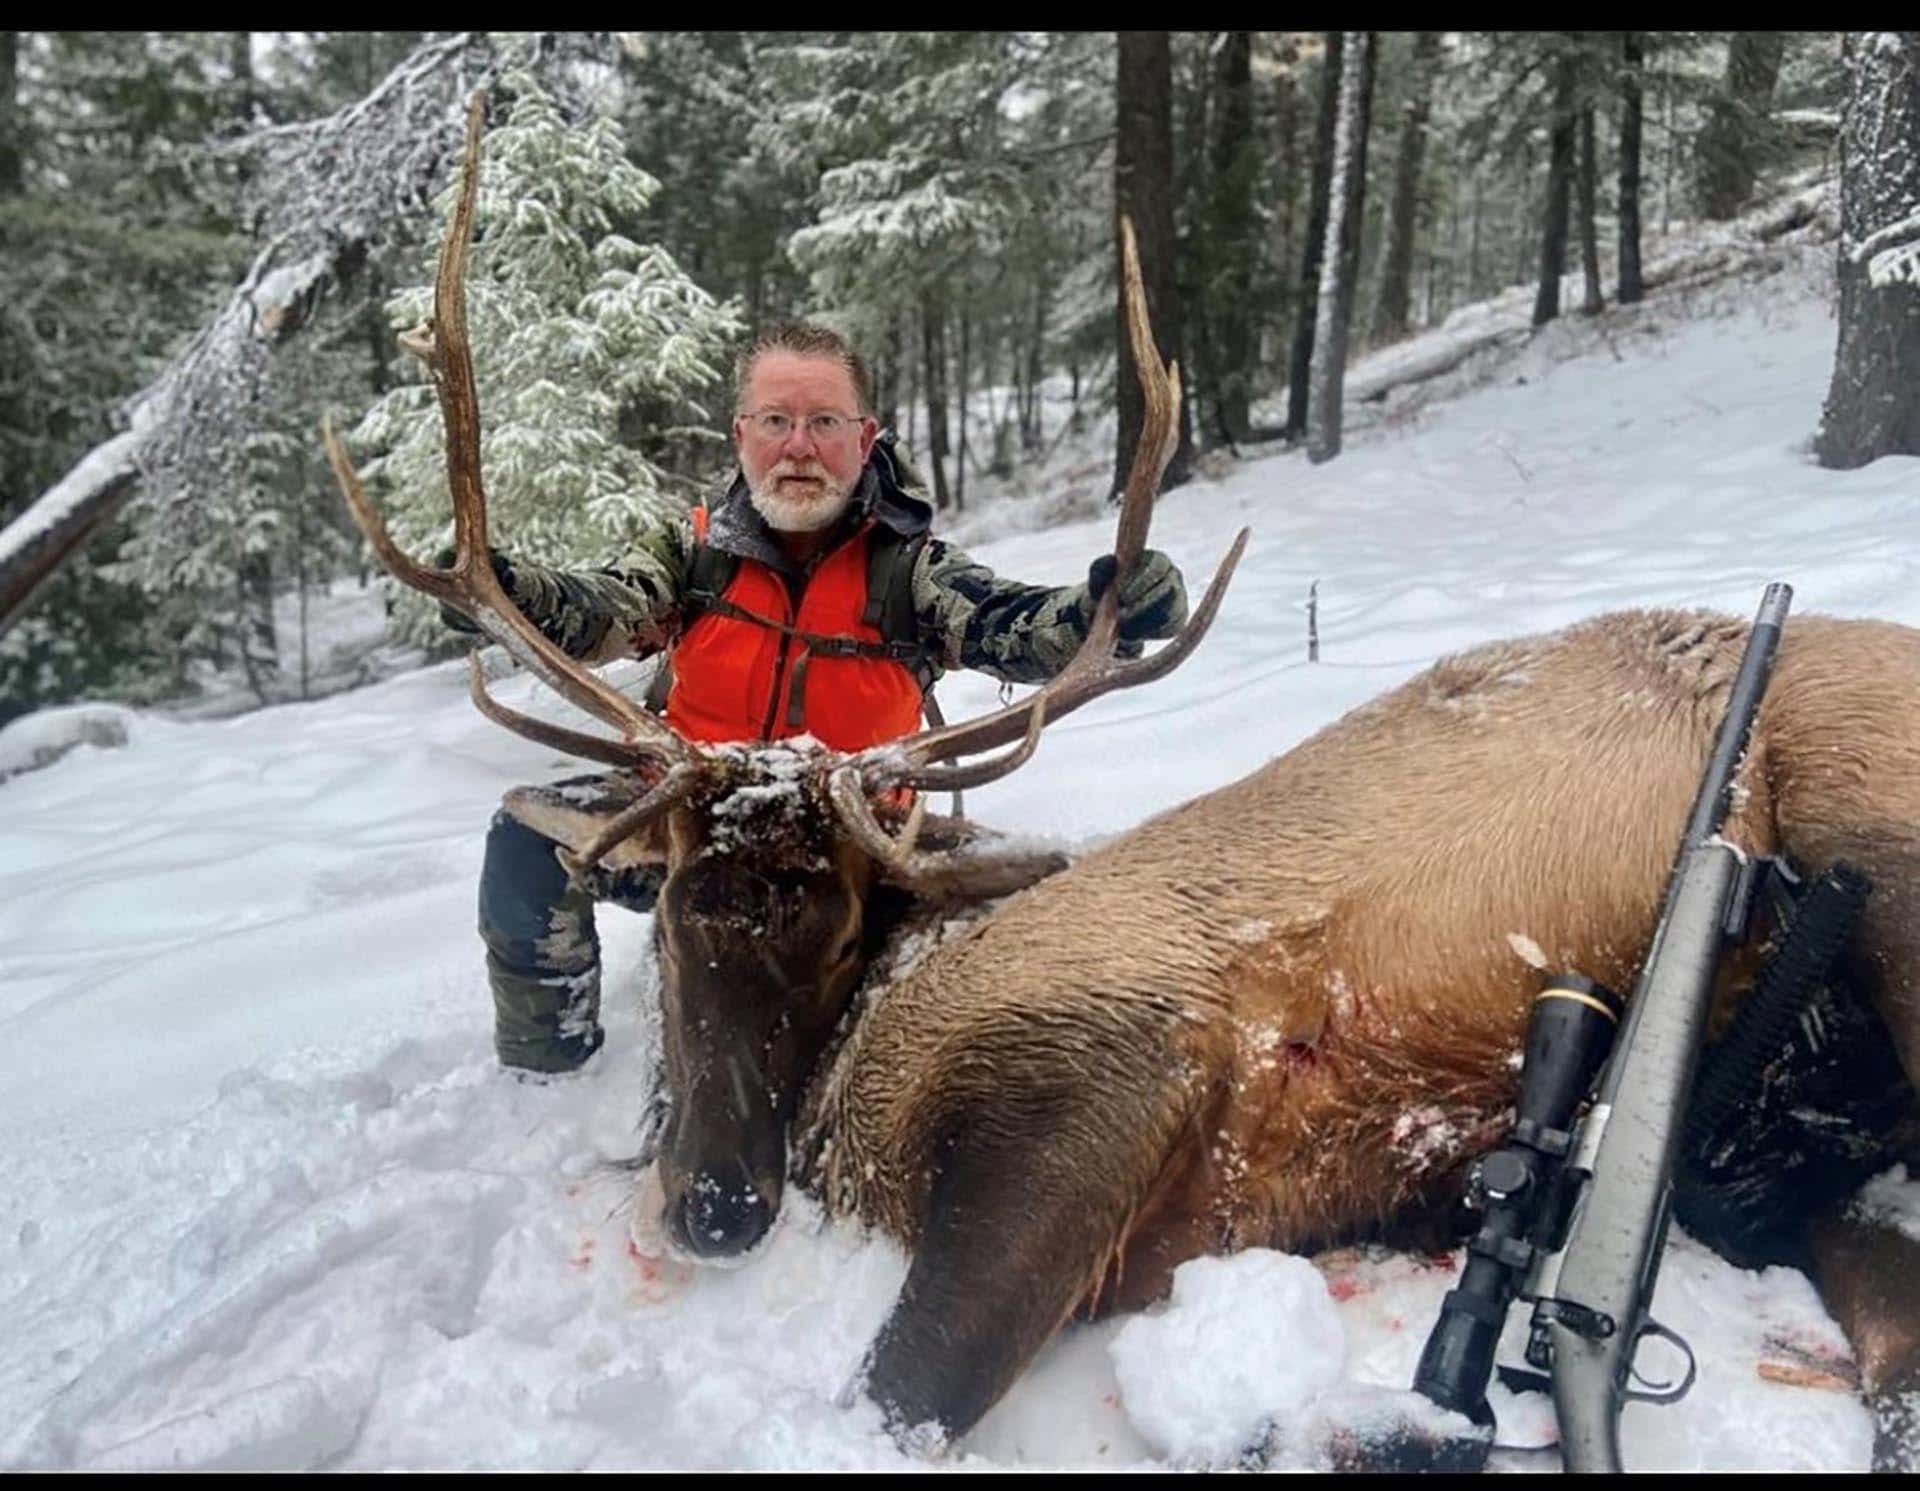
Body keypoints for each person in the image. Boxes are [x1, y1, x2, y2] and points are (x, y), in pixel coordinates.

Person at [453, 321, 1189, 1077]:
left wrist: (1106, 612)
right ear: (742, 434)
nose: (798, 446)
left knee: (1024, 910)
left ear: (864, 437)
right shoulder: (691, 555)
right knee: (527, 837)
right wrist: (514, 598)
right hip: (692, 832)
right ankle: (549, 1066)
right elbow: (602, 606)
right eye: (776, 420)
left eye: (824, 422)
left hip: (853, 850)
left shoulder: (912, 573)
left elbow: (1013, 624)